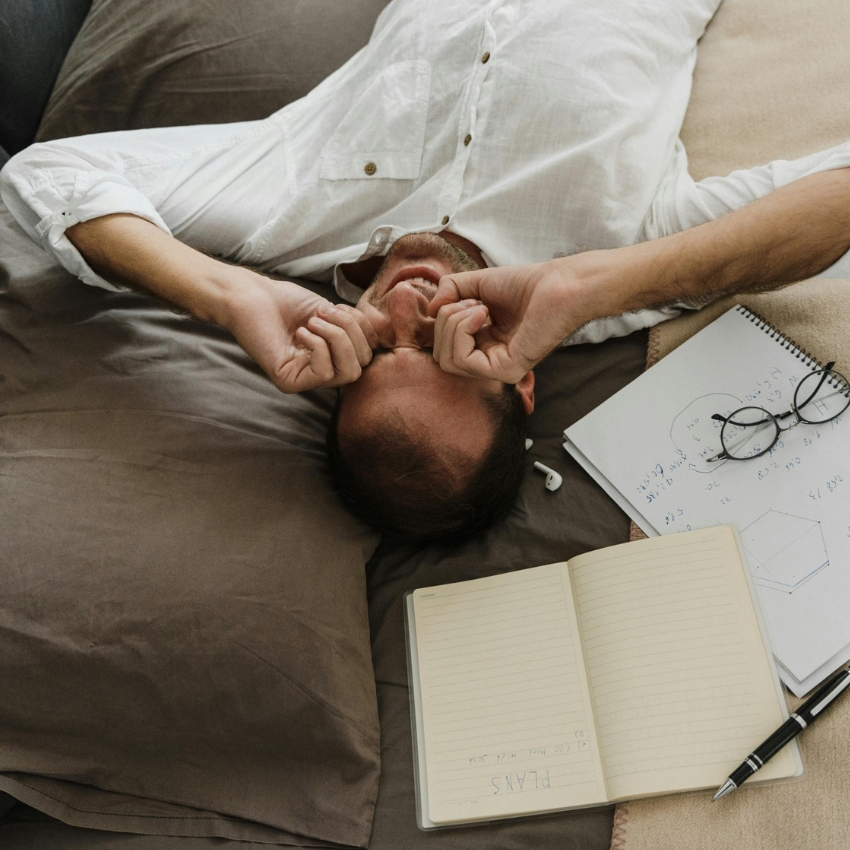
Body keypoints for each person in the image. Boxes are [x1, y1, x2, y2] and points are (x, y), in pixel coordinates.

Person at [2, 0, 850, 541]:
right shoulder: (619, 272)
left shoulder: (282, 215)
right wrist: (594, 282)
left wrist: (235, 296)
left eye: (376, 354)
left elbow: (42, 179)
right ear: (519, 385)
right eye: (444, 347)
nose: (407, 308)